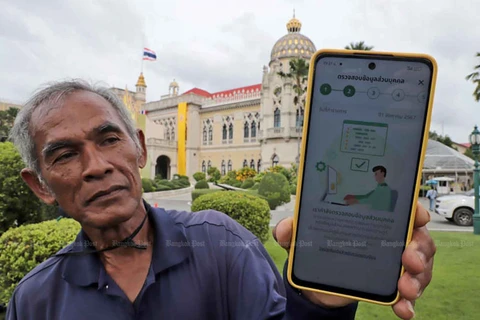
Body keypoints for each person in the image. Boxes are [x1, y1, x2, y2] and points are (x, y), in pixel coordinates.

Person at [6, 81, 436, 320]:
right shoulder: (36, 301)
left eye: (109, 139)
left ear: (139, 149)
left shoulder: (220, 246)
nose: (96, 165)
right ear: (40, 184)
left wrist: (324, 300)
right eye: (64, 155)